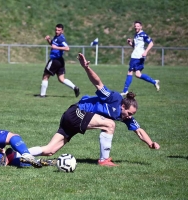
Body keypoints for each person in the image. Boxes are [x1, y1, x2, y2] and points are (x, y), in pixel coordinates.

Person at [29, 53, 160, 167]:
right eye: (129, 113)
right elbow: (98, 83)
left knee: (49, 150)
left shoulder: (125, 116)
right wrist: (86, 67)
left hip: (73, 118)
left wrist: (150, 143)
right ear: (123, 106)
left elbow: (139, 131)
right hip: (76, 112)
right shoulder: (114, 98)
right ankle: (104, 160)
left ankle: (17, 154)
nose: (130, 116)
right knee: (110, 124)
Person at [38, 23, 80, 98]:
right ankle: (75, 87)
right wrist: (48, 40)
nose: (57, 31)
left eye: (59, 30)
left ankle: (42, 95)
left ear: (62, 31)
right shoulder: (56, 37)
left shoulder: (61, 38)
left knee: (45, 76)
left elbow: (67, 48)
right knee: (61, 79)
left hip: (55, 60)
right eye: (56, 30)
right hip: (60, 61)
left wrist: (56, 48)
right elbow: (53, 44)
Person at [120, 21, 160, 96]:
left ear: (141, 27)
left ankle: (125, 90)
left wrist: (146, 51)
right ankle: (154, 82)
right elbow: (135, 47)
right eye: (135, 26)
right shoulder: (136, 35)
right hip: (136, 55)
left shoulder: (143, 34)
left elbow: (151, 43)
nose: (136, 27)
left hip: (137, 56)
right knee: (138, 74)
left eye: (138, 26)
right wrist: (130, 43)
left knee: (130, 72)